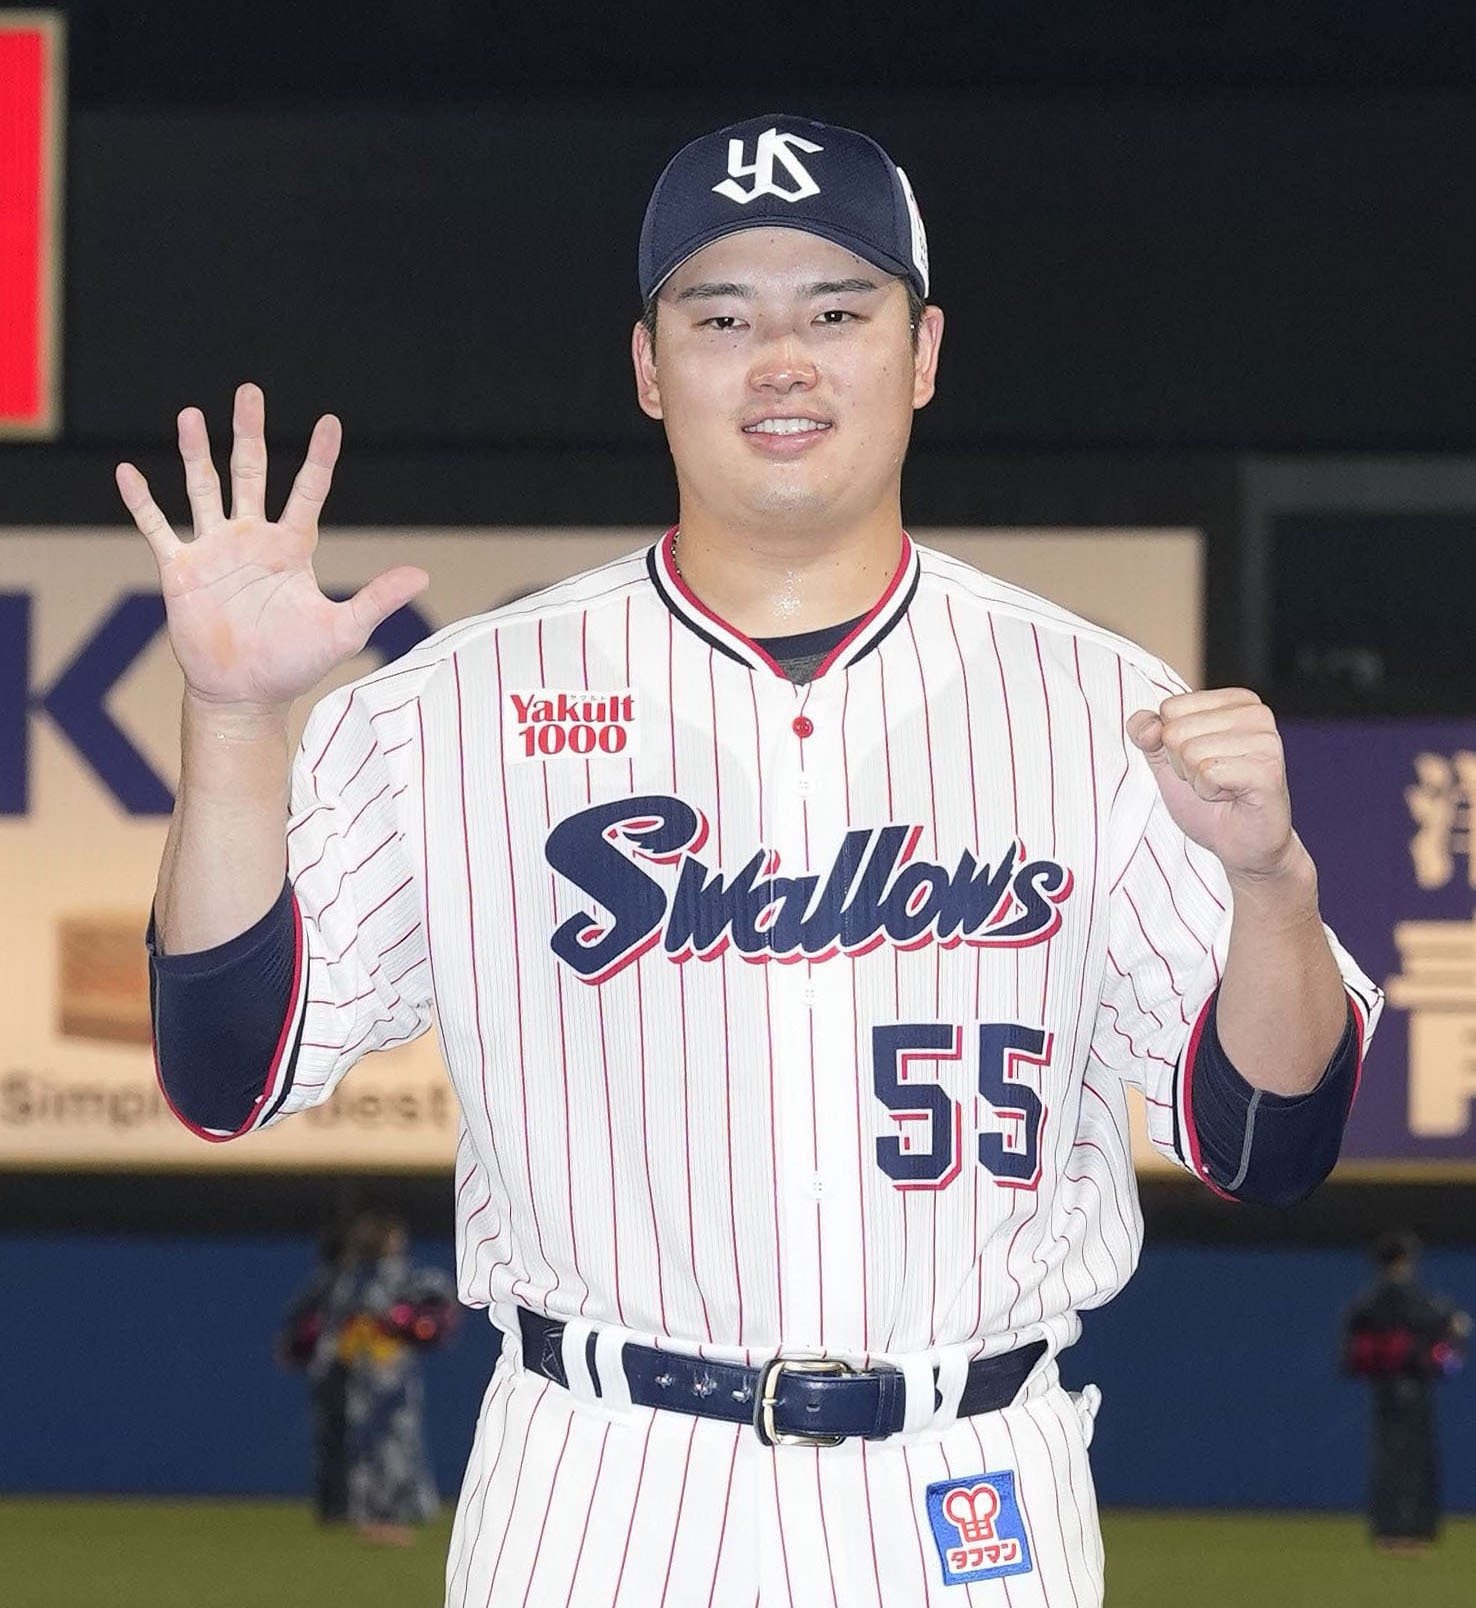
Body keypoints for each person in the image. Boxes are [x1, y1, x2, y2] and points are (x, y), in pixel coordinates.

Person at [124, 114, 1384, 1606]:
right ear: (650, 368)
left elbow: (1269, 1145)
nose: (782, 361)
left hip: (966, 1484)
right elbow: (227, 1072)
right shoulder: (454, 706)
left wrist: (1274, 887)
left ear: (922, 354)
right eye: (721, 319)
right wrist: (232, 725)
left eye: (837, 314)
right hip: (601, 1485)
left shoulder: (1101, 704)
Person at [284, 1210, 458, 1544]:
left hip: (369, 1372)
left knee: (375, 1443)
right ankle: (379, 1518)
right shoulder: (363, 1278)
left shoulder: (352, 1278)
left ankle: (363, 1512)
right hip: (373, 1372)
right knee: (380, 1444)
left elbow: (431, 1300)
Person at [1341, 1230, 1469, 1553]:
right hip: (1411, 1385)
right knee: (1411, 1460)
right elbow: (1438, 1328)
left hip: (1384, 1387)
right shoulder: (1409, 1298)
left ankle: (1391, 1530)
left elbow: (1350, 1352)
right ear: (1402, 1261)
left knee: (1389, 1458)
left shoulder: (1367, 1300)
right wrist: (1454, 1328)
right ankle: (1409, 1531)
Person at [278, 1220, 352, 1525]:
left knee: (329, 1440)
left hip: (326, 1370)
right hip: (340, 1370)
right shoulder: (339, 1283)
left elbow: (293, 1316)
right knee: (341, 1439)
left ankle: (331, 1506)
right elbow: (298, 1317)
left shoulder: (324, 1281)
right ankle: (338, 1506)